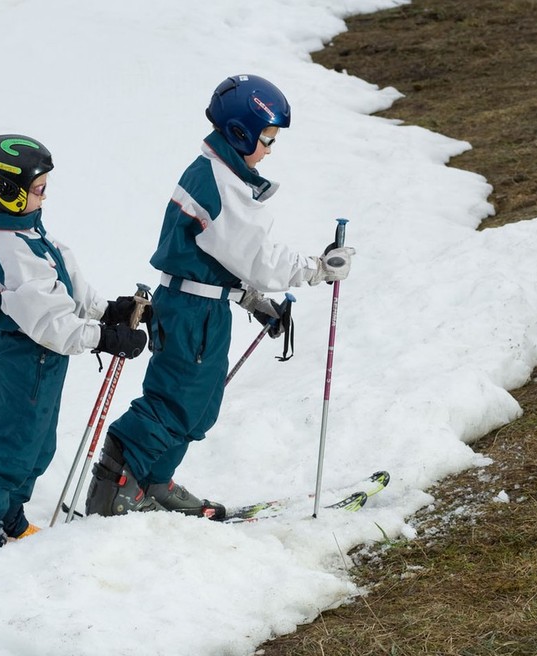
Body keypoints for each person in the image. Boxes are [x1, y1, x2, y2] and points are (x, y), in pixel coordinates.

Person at [85, 74, 354, 520]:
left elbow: (221, 253)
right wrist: (319, 268)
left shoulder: (221, 174)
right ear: (240, 132)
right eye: (267, 138)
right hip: (192, 311)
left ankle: (153, 481)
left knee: (200, 407)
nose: (270, 149)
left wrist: (250, 299)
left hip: (205, 306)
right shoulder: (219, 182)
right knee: (175, 402)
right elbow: (259, 258)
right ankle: (114, 488)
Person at [0, 134, 150, 557]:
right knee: (8, 448)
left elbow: (66, 288)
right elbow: (51, 323)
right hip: (23, 358)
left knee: (37, 447)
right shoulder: (11, 248)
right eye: (39, 189)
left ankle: (7, 517)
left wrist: (108, 310)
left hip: (43, 359)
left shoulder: (29, 233)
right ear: (7, 192)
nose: (45, 195)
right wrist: (105, 338)